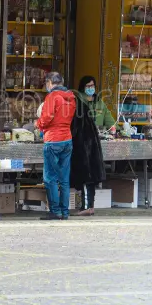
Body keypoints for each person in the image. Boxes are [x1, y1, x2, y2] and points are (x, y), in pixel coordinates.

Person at [36, 71, 76, 220]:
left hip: (53, 140)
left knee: (50, 178)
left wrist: (38, 124)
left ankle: (55, 211)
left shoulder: (52, 96)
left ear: (49, 82)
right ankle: (65, 212)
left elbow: (46, 118)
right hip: (67, 140)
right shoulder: (71, 97)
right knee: (64, 179)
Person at [71, 76, 111, 216]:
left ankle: (88, 207)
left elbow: (110, 122)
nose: (90, 88)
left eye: (92, 85)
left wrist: (113, 128)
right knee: (87, 174)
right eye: (88, 86)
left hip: (87, 143)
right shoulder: (77, 100)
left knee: (87, 175)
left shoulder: (99, 103)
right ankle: (87, 206)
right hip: (86, 142)